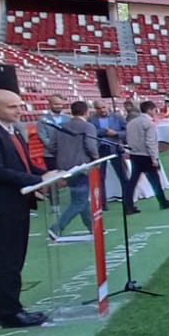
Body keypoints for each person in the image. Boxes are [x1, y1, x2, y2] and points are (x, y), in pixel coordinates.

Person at [0, 89, 65, 328]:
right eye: (13, 107)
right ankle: (8, 312)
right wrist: (37, 181)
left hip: (15, 202)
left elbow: (22, 164)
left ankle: (9, 308)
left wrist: (42, 175)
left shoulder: (12, 131)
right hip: (0, 205)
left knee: (14, 259)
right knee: (8, 260)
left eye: (20, 106)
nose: (19, 110)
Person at [123, 100, 169, 215]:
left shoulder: (131, 123)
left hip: (135, 154)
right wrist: (154, 158)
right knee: (154, 179)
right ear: (150, 110)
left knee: (133, 181)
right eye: (154, 110)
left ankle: (128, 205)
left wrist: (130, 151)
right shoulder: (149, 123)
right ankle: (163, 201)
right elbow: (151, 142)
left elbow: (128, 139)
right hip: (146, 155)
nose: (155, 112)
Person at [49, 101, 99, 239]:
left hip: (64, 166)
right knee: (79, 200)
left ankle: (92, 227)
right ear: (86, 112)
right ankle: (57, 227)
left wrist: (62, 156)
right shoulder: (88, 126)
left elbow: (51, 146)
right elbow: (90, 145)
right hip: (82, 166)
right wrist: (96, 159)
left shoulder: (61, 126)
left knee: (81, 198)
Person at [91, 101, 128, 200]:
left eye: (103, 107)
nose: (102, 110)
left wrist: (116, 134)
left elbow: (127, 131)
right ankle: (102, 202)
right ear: (95, 109)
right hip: (100, 149)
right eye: (99, 108)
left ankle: (128, 199)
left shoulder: (118, 117)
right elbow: (90, 133)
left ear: (108, 107)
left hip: (116, 148)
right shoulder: (91, 120)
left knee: (123, 175)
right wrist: (104, 132)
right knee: (100, 177)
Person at [33, 93, 67, 171]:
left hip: (66, 154)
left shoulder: (68, 118)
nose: (58, 106)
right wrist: (55, 148)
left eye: (60, 104)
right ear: (50, 104)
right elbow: (43, 136)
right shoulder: (42, 119)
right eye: (56, 104)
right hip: (50, 155)